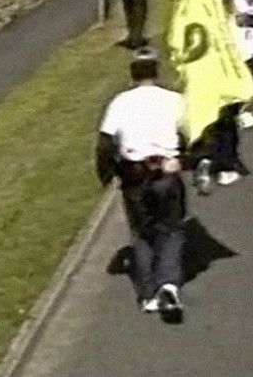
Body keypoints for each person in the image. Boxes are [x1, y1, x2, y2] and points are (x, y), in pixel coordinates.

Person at [97, 48, 189, 316]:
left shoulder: (120, 102)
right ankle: (168, 284)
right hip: (166, 172)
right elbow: (192, 134)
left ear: (133, 74)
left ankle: (148, 294)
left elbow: (105, 143)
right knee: (171, 230)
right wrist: (183, 160)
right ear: (156, 71)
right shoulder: (174, 100)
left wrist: (108, 174)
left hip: (134, 176)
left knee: (141, 232)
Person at [195, 0, 253, 193]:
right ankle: (225, 166)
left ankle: (206, 157)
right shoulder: (233, 32)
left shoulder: (205, 29)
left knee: (212, 122)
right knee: (228, 127)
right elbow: (244, 60)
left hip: (209, 81)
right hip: (229, 85)